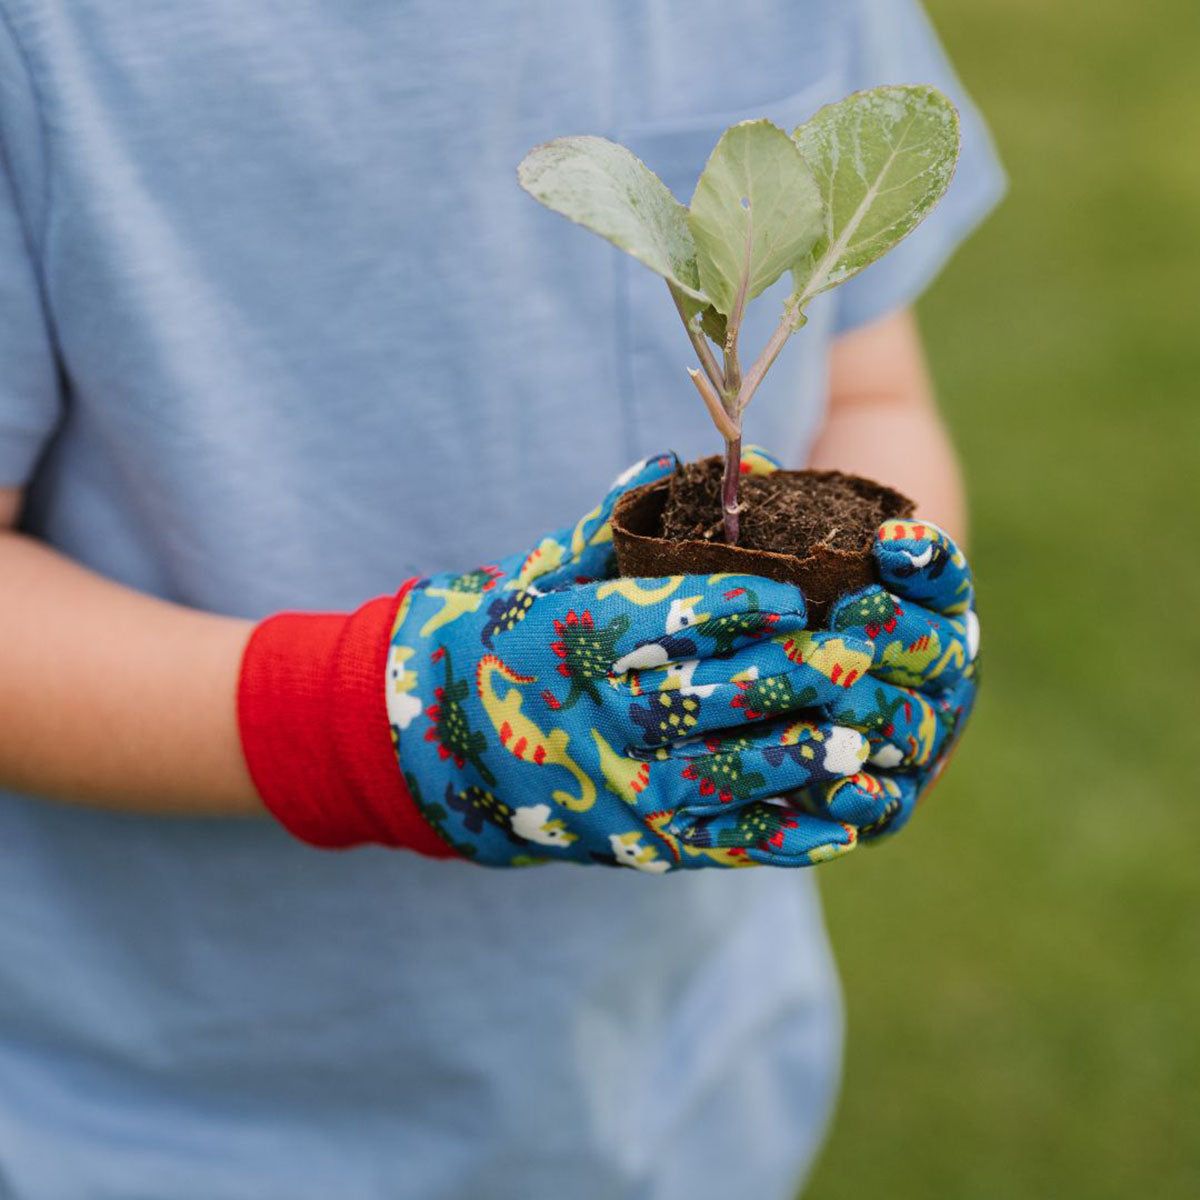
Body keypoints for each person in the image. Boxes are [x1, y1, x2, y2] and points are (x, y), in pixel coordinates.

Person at [0, 1, 1003, 1196]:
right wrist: (389, 721)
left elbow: (871, 392)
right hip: (172, 1122)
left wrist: (881, 638)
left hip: (688, 1086)